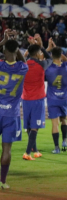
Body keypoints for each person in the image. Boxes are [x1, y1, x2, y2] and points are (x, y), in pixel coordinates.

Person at [0, 36, 28, 189]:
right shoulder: (23, 68)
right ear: (17, 51)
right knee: (7, 150)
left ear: (4, 51)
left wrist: (3, 42)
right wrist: (16, 48)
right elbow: (23, 61)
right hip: (12, 114)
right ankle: (2, 181)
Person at [22, 35, 54, 161]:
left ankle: (35, 150)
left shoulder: (23, 65)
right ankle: (27, 153)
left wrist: (26, 53)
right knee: (35, 126)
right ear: (37, 54)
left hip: (25, 99)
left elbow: (20, 60)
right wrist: (41, 47)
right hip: (38, 100)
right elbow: (50, 58)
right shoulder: (42, 65)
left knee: (30, 126)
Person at [45, 47, 67, 154]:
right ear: (60, 55)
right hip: (64, 98)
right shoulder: (66, 67)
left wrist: (49, 51)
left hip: (53, 99)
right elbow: (66, 60)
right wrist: (61, 54)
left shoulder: (48, 68)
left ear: (52, 56)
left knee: (55, 124)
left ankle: (56, 148)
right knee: (64, 119)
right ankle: (64, 141)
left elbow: (44, 59)